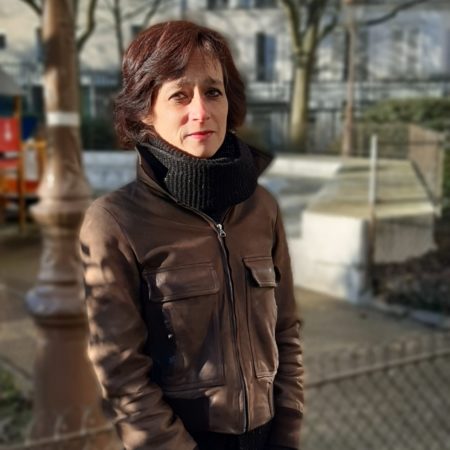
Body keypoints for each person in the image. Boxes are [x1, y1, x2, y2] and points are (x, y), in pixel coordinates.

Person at [80, 20, 304, 450]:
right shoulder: (114, 221)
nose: (201, 111)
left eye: (213, 92)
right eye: (179, 95)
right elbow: (123, 376)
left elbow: (287, 333)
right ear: (145, 111)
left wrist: (288, 433)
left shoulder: (262, 208)